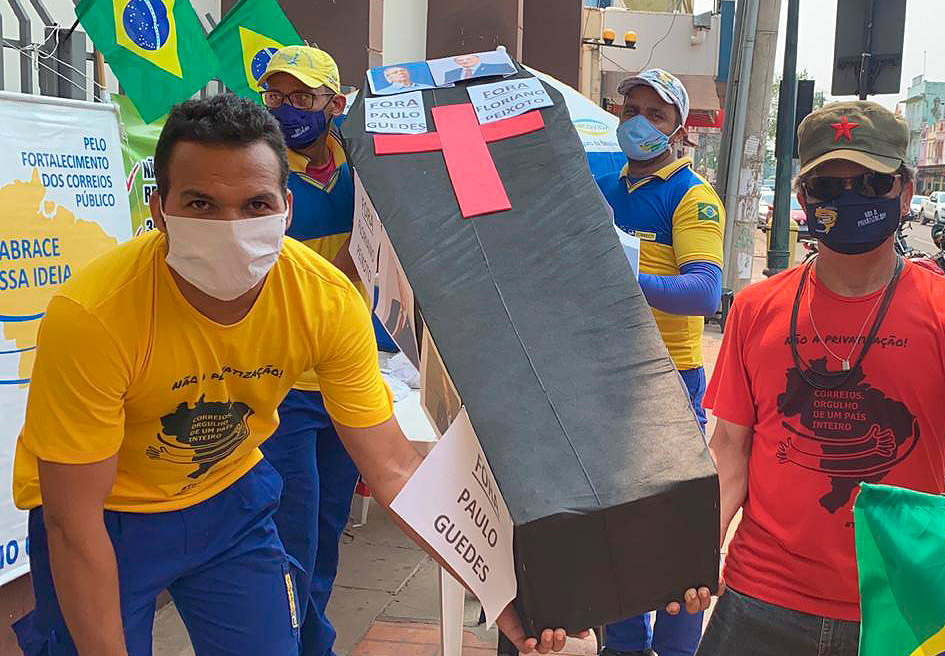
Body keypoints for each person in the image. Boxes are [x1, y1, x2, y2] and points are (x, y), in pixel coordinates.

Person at [9, 93, 595, 656]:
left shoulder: (323, 299)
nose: (230, 226)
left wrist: (500, 591)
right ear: (159, 210)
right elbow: (73, 520)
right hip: (109, 521)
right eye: (201, 204)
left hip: (228, 503)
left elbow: (392, 467)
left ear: (286, 209)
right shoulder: (96, 317)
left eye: (256, 205)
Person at [697, 101, 945, 655]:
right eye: (829, 186)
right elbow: (730, 447)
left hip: (902, 602)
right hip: (762, 598)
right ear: (804, 197)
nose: (849, 200)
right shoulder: (756, 308)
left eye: (872, 183)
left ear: (905, 192)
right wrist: (695, 545)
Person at [594, 68, 725, 656]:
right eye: (630, 111)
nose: (640, 123)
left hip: (668, 379)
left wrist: (631, 277)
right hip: (607, 373)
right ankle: (623, 644)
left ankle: (675, 649)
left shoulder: (693, 197)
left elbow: (703, 293)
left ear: (678, 129)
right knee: (618, 527)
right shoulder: (603, 185)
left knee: (672, 533)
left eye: (656, 114)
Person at [256, 45, 367, 656]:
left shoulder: (366, 167)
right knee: (290, 529)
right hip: (286, 384)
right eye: (276, 96)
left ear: (335, 104)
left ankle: (307, 633)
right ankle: (295, 640)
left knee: (327, 529)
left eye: (302, 97)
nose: (286, 109)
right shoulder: (266, 174)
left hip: (350, 378)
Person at [441, 53, 516, 84]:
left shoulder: (497, 67)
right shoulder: (450, 74)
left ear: (478, 59)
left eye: (469, 59)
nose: (465, 61)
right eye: (460, 60)